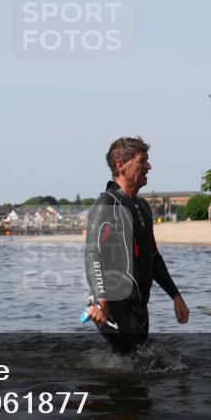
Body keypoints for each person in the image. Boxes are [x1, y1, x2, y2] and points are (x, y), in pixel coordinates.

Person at [84, 137, 189, 354]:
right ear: (121, 165)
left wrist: (176, 296)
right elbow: (93, 256)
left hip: (140, 306)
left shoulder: (142, 207)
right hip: (114, 305)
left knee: (134, 368)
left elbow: (153, 256)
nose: (149, 167)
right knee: (140, 363)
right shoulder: (106, 205)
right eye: (142, 161)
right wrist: (101, 301)